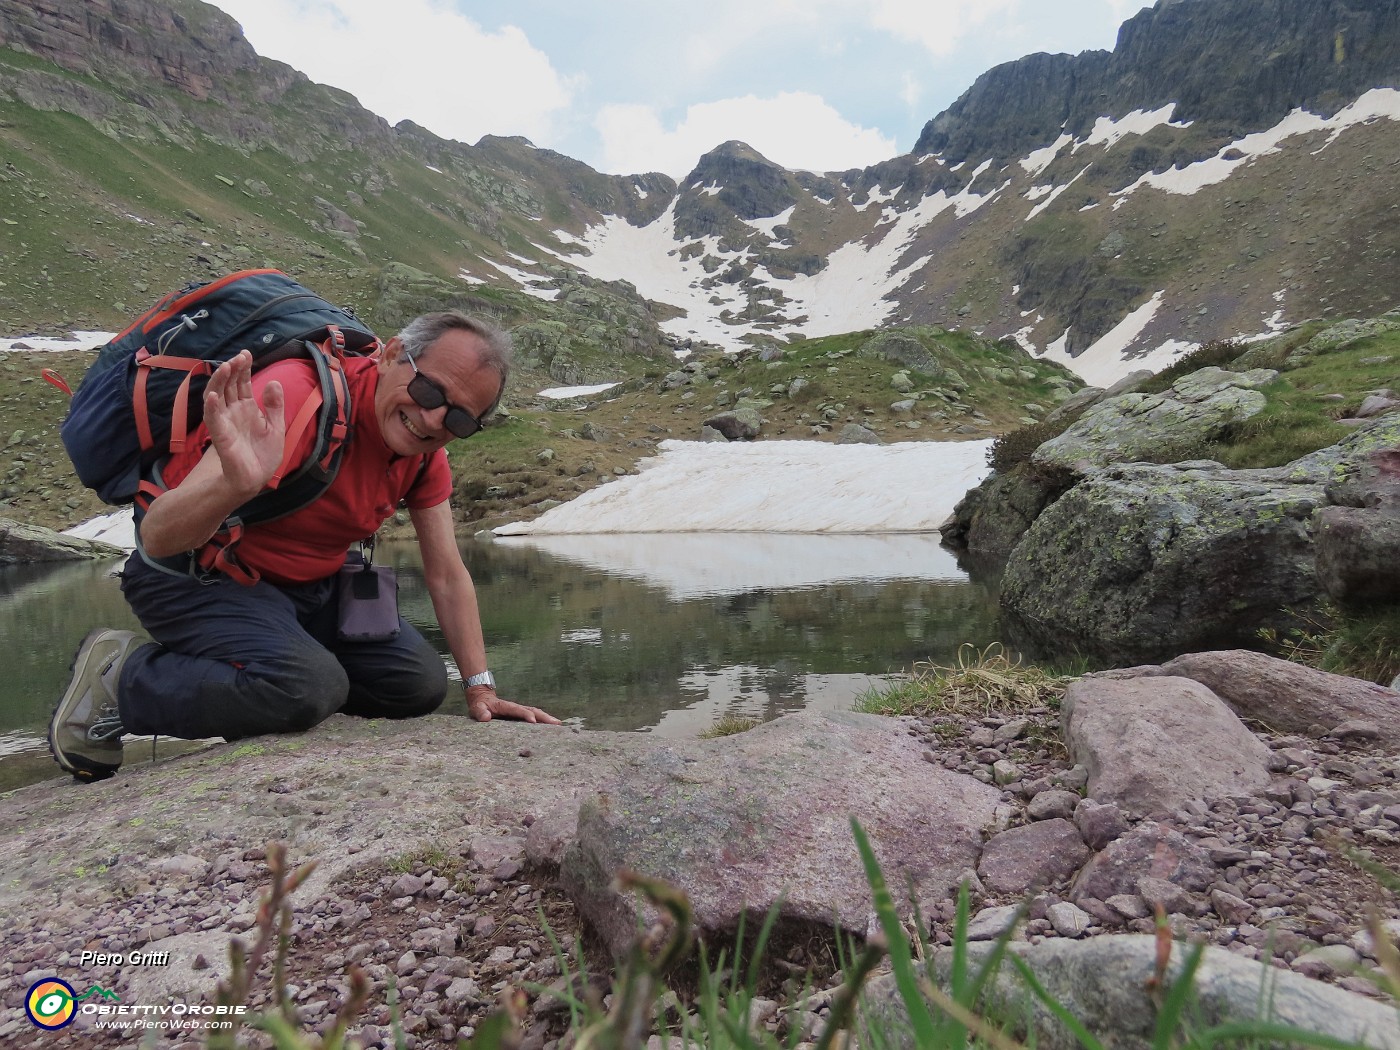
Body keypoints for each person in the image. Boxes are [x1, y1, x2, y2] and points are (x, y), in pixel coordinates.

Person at [49, 310, 560, 782]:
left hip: (310, 589)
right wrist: (234, 485)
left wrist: (481, 687)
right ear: (390, 355)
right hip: (200, 577)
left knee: (416, 685)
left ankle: (265, 693)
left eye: (459, 420)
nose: (432, 421)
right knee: (305, 687)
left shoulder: (426, 455)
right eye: (429, 392)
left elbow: (447, 572)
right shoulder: (292, 397)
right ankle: (123, 678)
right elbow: (156, 537)